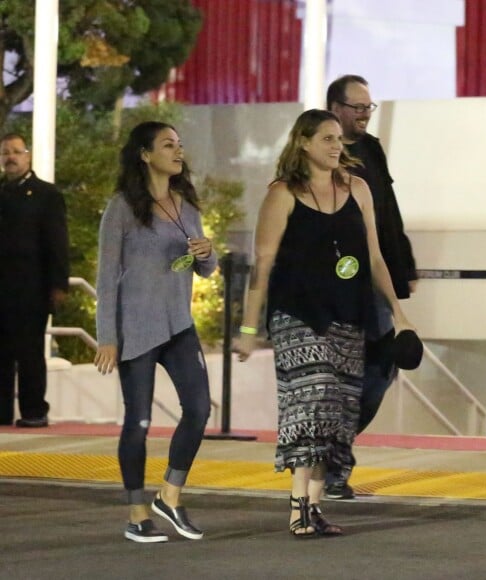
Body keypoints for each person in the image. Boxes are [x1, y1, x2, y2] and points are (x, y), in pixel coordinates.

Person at [237, 109, 413, 537]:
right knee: (312, 400)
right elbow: (262, 263)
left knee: (337, 410)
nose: (337, 146)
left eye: (339, 139)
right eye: (328, 139)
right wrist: (246, 329)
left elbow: (373, 258)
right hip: (297, 315)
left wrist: (400, 313)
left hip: (349, 314)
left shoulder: (358, 189)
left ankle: (314, 507)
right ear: (304, 143)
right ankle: (297, 505)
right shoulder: (282, 194)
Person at [94, 121, 217, 544]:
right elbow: (106, 277)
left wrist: (208, 253)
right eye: (168, 145)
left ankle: (171, 494)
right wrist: (107, 336)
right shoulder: (122, 208)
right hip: (137, 328)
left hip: (179, 325)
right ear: (145, 155)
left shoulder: (188, 207)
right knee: (139, 421)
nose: (177, 151)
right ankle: (136, 512)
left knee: (199, 409)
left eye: (179, 145)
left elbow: (205, 267)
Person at [324, 74, 419, 499]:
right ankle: (331, 468)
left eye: (369, 107)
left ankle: (331, 453)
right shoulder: (314, 155)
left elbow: (388, 213)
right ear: (335, 108)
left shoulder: (372, 151)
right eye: (357, 107)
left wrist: (404, 269)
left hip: (376, 281)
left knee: (382, 371)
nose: (364, 114)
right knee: (341, 377)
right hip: (336, 287)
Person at [0, 133, 69, 428]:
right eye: (5, 153)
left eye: (16, 152)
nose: (11, 157)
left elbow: (57, 242)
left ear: (27, 156)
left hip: (32, 287)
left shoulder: (46, 195)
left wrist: (58, 284)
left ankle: (33, 412)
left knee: (29, 353)